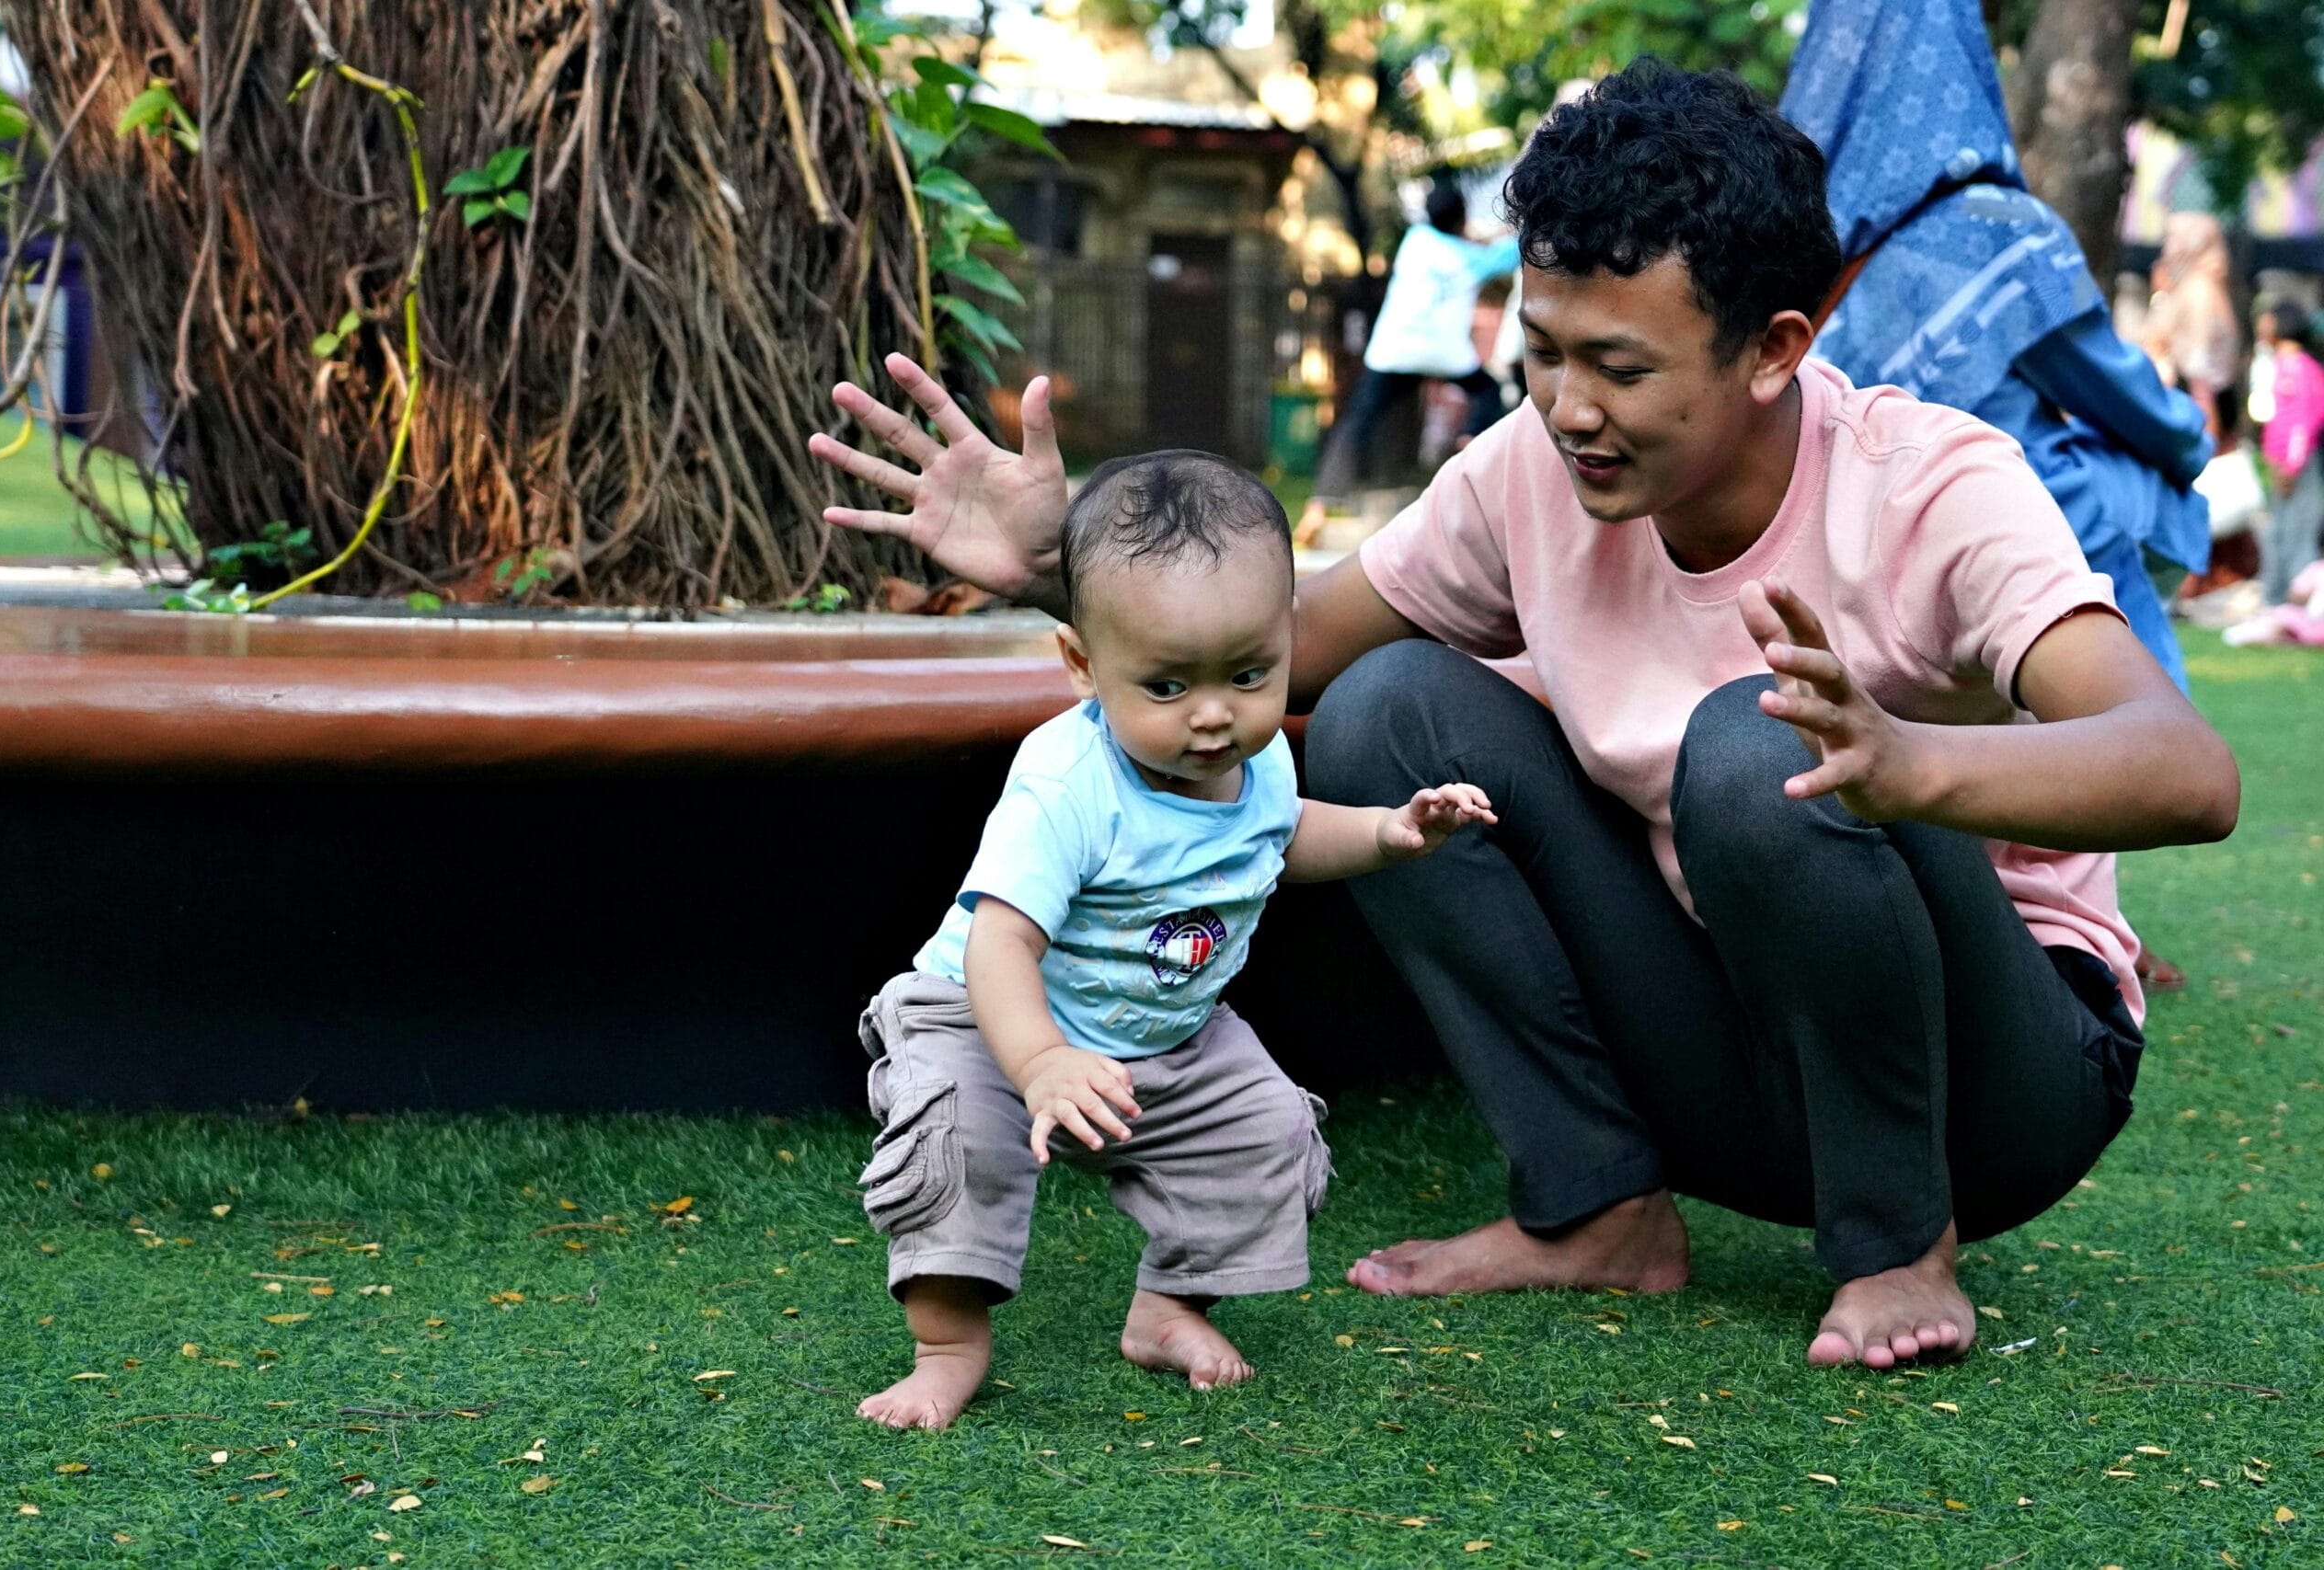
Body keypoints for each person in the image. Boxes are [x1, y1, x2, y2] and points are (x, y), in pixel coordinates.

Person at [809, 63, 2239, 1371]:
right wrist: (1076, 561)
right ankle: (1601, 1206)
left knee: (1763, 747)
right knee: (1388, 712)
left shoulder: (1932, 490)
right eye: (1544, 353)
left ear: (1774, 345)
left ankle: (1895, 1244)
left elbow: (2185, 772)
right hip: (1742, 1042)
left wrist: (1911, 761)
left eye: (1621, 367)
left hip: (1995, 1087)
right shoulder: (1526, 478)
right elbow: (1287, 646)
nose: (1568, 407)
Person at [853, 450, 1494, 1429]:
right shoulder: (1067, 785)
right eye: (1164, 687)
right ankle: (948, 1346)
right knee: (957, 1147)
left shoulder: (1259, 753)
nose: (1212, 716)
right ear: (1083, 666)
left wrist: (1386, 832)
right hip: (991, 1023)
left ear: (1284, 636)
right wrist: (1040, 1064)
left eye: (1248, 674)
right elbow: (998, 944)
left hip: (1163, 1031)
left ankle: (1167, 1308)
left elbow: (1277, 839)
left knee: (1264, 1131)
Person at [1779, 0, 2215, 991]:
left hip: (1853, 535)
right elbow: (2107, 385)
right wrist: (2187, 446)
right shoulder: (1997, 227)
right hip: (2010, 524)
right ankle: (2088, 916)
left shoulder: (1808, 252)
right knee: (2118, 535)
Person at [1295, 184, 1520, 545]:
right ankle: (1470, 442)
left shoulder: (1415, 242)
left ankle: (1319, 505)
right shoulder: (1472, 259)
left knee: (1357, 422)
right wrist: (1507, 233)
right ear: (1461, 219)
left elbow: (1460, 240)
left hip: (1395, 351)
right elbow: (1507, 254)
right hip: (1446, 353)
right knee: (1489, 392)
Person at [2143, 213, 2243, 441]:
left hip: (2195, 409)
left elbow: (2201, 365)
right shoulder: (2187, 286)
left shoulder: (2200, 289)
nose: (2167, 246)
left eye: (2172, 238)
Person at [2256, 299, 2324, 604]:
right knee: (2279, 535)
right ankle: (2278, 604)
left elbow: (2303, 420)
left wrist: (2291, 465)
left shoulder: (2296, 368)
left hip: (2298, 468)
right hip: (2281, 467)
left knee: (2298, 537)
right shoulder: (2281, 365)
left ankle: (2302, 607)